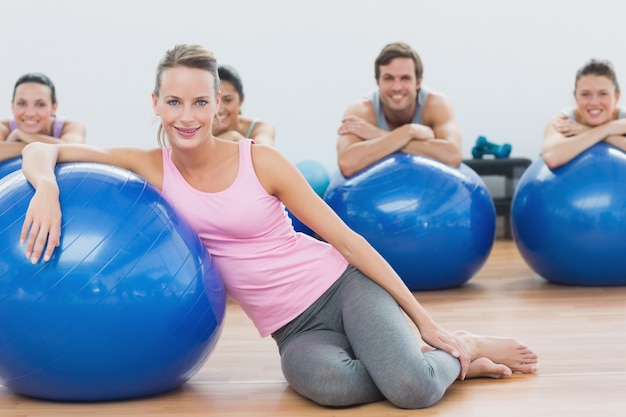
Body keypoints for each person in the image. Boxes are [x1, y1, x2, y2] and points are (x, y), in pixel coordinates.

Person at [19, 44, 538, 410]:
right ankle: (410, 354)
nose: (187, 115)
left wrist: (426, 322)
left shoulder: (260, 160)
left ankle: (459, 350)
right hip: (293, 330)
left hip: (342, 288)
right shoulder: (152, 165)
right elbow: (42, 148)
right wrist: (45, 188)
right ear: (155, 104)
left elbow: (347, 240)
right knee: (332, 388)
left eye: (201, 101)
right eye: (174, 101)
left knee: (412, 390)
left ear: (219, 104)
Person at [336, 42, 462, 177]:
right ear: (378, 82)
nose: (396, 87)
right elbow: (347, 164)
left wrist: (379, 134)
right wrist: (409, 132)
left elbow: (452, 156)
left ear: (418, 82)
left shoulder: (435, 104)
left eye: (405, 78)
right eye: (388, 78)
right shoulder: (362, 110)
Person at [542, 58, 626, 169]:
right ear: (575, 97)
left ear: (617, 96)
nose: (594, 102)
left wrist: (585, 130)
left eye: (603, 94)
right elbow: (552, 158)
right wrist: (608, 129)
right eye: (585, 94)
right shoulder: (563, 121)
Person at [0, 73, 86, 162]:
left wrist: (20, 135)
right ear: (12, 106)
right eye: (22, 104)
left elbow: (75, 152)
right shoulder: (3, 127)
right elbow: (72, 150)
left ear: (54, 108)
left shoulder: (71, 126)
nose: (30, 113)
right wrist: (58, 147)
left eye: (40, 104)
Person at [212, 64, 275, 146]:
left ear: (241, 99)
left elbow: (267, 153)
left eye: (227, 100)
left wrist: (236, 138)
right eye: (214, 101)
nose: (219, 110)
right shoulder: (198, 130)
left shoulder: (260, 128)